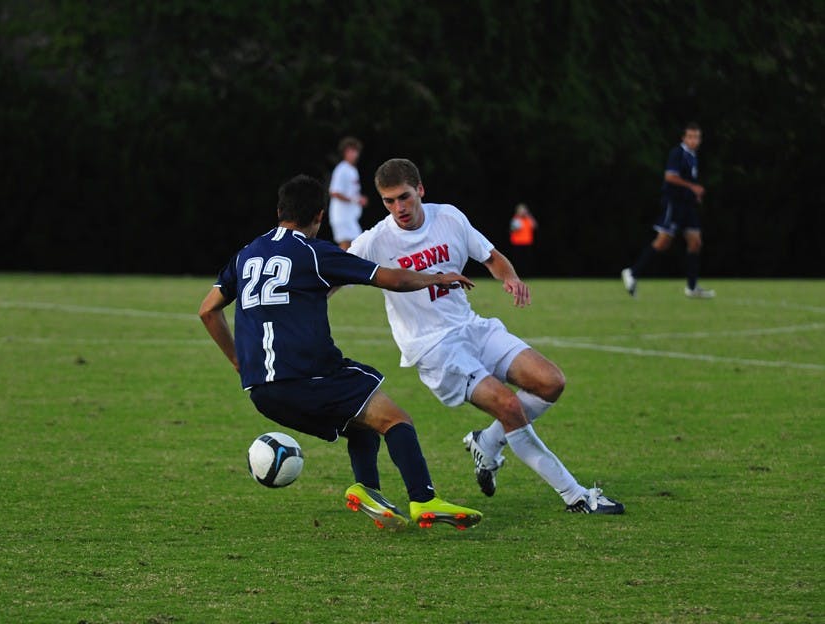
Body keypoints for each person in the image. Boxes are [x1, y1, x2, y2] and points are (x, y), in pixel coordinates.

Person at [199, 174, 482, 530]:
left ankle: (368, 491)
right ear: (319, 215)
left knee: (360, 420)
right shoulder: (314, 253)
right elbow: (391, 278)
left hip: (261, 391)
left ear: (279, 211)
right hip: (306, 375)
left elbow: (208, 310)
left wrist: (240, 363)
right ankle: (424, 500)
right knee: (396, 419)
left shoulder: (245, 255)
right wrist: (436, 277)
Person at [348, 158, 624, 514]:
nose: (398, 208)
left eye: (403, 197)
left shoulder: (448, 217)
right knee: (509, 406)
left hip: (471, 326)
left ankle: (487, 441)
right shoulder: (375, 240)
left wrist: (509, 277)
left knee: (551, 382)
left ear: (420, 190)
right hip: (435, 348)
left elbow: (491, 256)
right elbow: (335, 272)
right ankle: (576, 496)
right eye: (388, 201)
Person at [622, 122, 715, 298]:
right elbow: (670, 177)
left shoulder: (693, 156)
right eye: (691, 137)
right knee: (663, 242)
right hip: (674, 204)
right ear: (684, 138)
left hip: (687, 205)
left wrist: (694, 194)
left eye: (697, 137)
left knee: (695, 242)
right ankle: (632, 273)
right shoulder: (677, 154)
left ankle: (692, 287)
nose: (694, 140)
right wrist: (692, 187)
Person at [327, 136, 368, 250]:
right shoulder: (342, 169)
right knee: (347, 244)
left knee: (355, 245)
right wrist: (355, 200)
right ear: (345, 152)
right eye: (351, 151)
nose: (354, 154)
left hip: (350, 217)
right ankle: (339, 267)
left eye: (355, 151)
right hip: (342, 216)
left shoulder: (352, 169)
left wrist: (359, 198)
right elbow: (334, 192)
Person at [509, 203, 538, 277]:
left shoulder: (528, 219)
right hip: (517, 243)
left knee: (527, 261)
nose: (523, 212)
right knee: (518, 261)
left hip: (527, 243)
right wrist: (516, 227)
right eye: (521, 210)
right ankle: (516, 275)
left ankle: (527, 275)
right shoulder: (515, 219)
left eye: (524, 210)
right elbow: (512, 230)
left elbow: (534, 226)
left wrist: (529, 216)